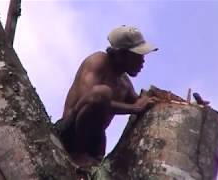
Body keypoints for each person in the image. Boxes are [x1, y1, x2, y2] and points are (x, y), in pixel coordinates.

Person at [55, 25, 159, 166]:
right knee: (103, 93)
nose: (142, 61)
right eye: (138, 56)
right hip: (70, 134)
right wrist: (134, 108)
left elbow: (140, 103)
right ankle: (78, 155)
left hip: (94, 146)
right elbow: (92, 99)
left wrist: (152, 101)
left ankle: (91, 160)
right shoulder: (98, 61)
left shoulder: (124, 83)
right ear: (121, 54)